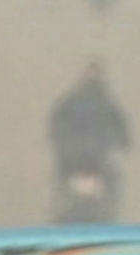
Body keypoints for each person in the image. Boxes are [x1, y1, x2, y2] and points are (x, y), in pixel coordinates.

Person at [47, 61, 130, 192]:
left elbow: (120, 124)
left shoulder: (106, 102)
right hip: (78, 151)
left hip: (96, 151)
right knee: (63, 176)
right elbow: (58, 121)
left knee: (110, 177)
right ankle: (62, 196)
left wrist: (124, 141)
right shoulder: (75, 99)